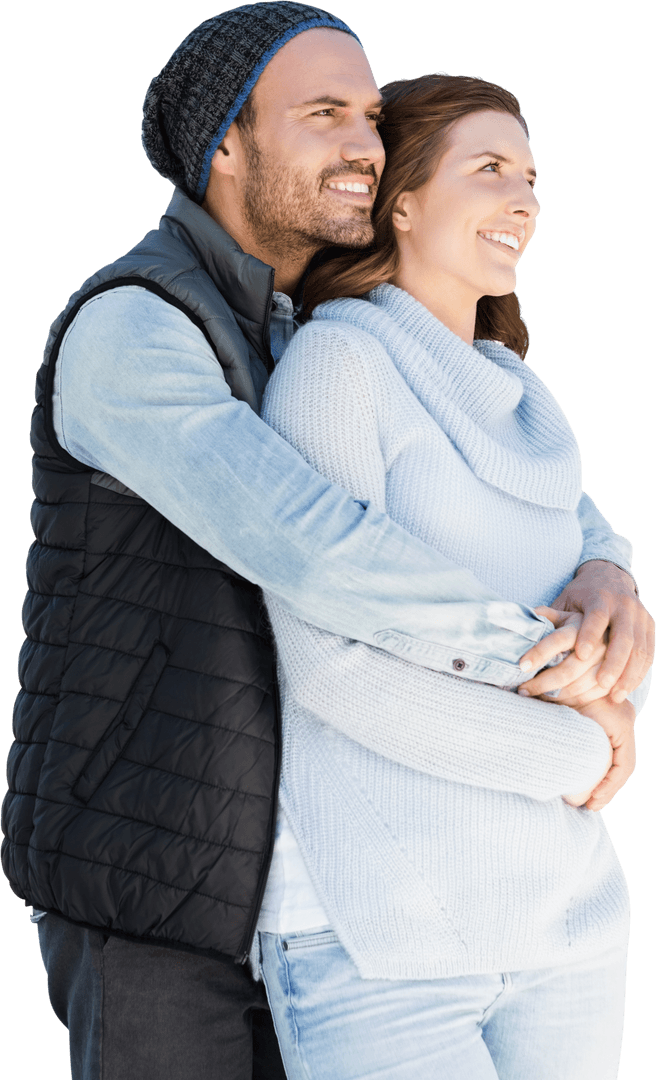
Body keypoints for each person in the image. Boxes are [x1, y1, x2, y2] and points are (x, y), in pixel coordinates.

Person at [1, 5, 652, 1079]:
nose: (365, 142)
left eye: (370, 116)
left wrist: (604, 568)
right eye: (323, 114)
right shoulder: (136, 327)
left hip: (302, 873)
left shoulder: (297, 323)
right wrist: (553, 671)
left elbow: (493, 482)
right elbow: (315, 547)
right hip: (155, 880)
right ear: (224, 143)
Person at [252, 73, 653, 1079]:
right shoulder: (336, 371)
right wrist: (579, 752)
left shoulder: (520, 392)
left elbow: (594, 612)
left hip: (565, 928)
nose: (524, 200)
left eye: (531, 179)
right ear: (400, 201)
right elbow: (331, 670)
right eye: (490, 170)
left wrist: (611, 576)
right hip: (384, 940)